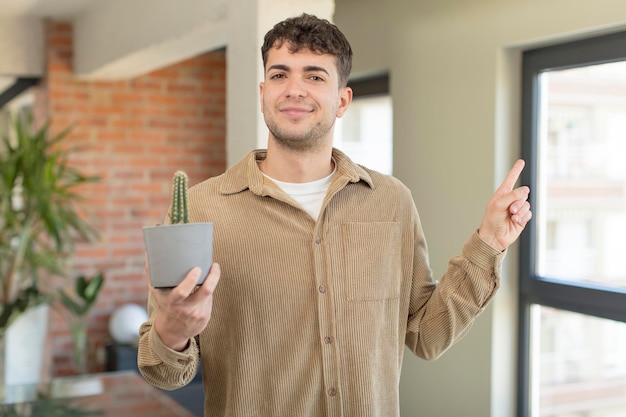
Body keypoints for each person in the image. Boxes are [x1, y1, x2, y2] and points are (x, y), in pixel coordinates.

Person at [137, 13, 532, 417]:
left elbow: (426, 336)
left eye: (314, 76)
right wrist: (172, 332)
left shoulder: (391, 201)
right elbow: (164, 374)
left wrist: (490, 242)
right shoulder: (201, 210)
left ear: (342, 100)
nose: (294, 89)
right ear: (262, 94)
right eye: (279, 75)